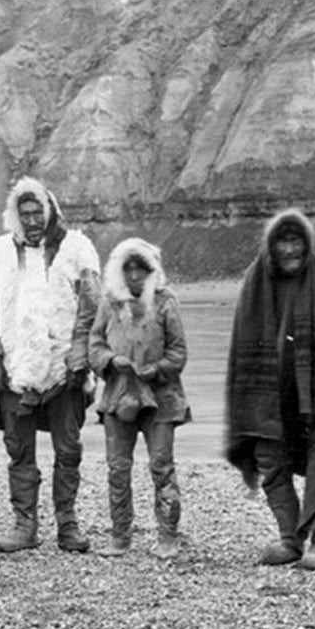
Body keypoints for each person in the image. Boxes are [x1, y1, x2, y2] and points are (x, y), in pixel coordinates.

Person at [224, 208, 315, 570]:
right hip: (270, 391)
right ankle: (290, 537)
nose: (289, 249)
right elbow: (241, 342)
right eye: (283, 241)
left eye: (296, 240)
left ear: (308, 242)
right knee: (270, 458)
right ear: (271, 245)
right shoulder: (255, 283)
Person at [0, 176, 100, 553]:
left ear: (49, 212)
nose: (31, 220)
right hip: (15, 370)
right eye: (24, 213)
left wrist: (79, 355)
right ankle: (24, 525)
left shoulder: (77, 249)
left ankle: (68, 525)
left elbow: (91, 308)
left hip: (64, 367)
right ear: (15, 215)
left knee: (68, 449)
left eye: (37, 212)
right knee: (19, 451)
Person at [89, 238, 191, 560]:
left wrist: (155, 370)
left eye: (141, 270)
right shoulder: (109, 303)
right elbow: (94, 344)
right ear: (119, 272)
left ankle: (168, 535)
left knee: (161, 466)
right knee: (118, 468)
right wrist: (109, 361)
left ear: (151, 271)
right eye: (128, 269)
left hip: (162, 396)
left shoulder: (166, 302)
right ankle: (120, 536)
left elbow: (178, 352)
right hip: (119, 395)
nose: (134, 276)